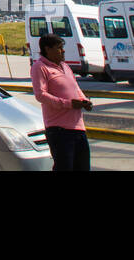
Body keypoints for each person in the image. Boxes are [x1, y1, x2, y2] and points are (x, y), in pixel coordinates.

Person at [31, 33, 93, 171]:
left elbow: (76, 88)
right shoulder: (40, 67)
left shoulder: (65, 66)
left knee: (83, 167)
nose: (63, 51)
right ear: (48, 49)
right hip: (59, 130)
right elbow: (41, 95)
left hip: (78, 127)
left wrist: (84, 101)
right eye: (59, 48)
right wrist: (68, 104)